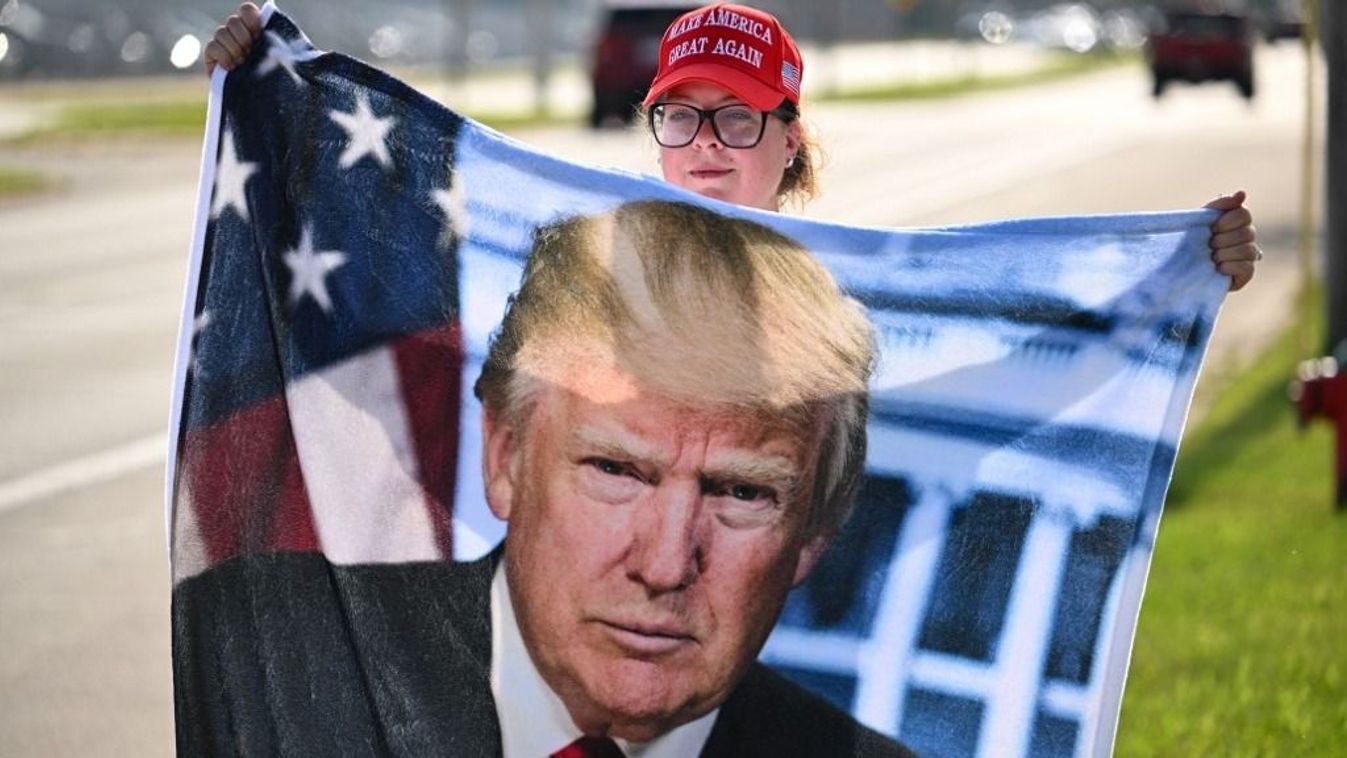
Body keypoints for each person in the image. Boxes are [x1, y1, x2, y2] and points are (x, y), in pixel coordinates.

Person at [174, 200, 913, 756]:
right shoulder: (273, 648)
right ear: (505, 457)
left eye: (739, 492)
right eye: (616, 470)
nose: (662, 565)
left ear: (813, 534)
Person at [204, 2, 1262, 291]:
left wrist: (1184, 264)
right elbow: (392, 258)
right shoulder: (579, 263)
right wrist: (258, 90)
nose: (706, 142)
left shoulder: (845, 290)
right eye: (683, 112)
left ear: (788, 142)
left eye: (739, 116)